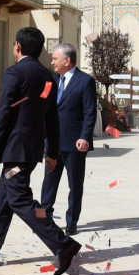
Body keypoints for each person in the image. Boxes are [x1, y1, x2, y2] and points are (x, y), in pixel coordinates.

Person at [0, 27, 81, 275]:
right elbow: (52, 118)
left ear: (18, 46)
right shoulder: (47, 77)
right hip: (31, 150)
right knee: (4, 198)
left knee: (19, 199)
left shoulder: (16, 73)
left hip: (15, 151)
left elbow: (3, 113)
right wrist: (52, 151)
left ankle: (63, 244)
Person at [40, 43, 97, 236]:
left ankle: (72, 221)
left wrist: (85, 136)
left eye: (55, 59)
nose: (52, 62)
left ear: (67, 60)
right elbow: (43, 106)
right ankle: (44, 218)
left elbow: (90, 112)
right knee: (48, 183)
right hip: (52, 143)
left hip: (74, 143)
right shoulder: (51, 81)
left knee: (75, 184)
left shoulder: (85, 81)